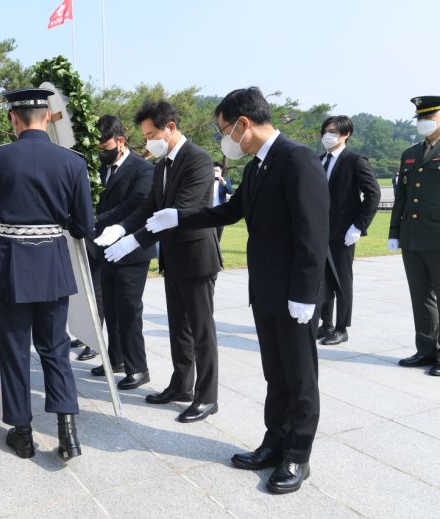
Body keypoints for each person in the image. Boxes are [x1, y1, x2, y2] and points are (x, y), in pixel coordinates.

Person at [142, 87, 330, 494]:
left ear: (244, 124)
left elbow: (314, 234)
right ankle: (274, 441)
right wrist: (179, 216)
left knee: (300, 378)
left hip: (294, 294)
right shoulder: (259, 166)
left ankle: (298, 455)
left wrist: (306, 293)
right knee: (274, 373)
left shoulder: (296, 159)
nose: (225, 138)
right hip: (264, 289)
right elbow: (229, 210)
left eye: (225, 129)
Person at [0, 88, 94, 459]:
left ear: (13, 119)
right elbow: (82, 226)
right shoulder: (73, 162)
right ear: (47, 117)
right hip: (52, 264)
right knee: (55, 347)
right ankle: (68, 432)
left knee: (13, 349)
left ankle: (23, 432)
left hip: (12, 261)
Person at [96, 100, 221, 423]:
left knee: (201, 330)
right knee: (178, 326)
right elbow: (148, 208)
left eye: (152, 133)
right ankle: (181, 385)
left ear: (170, 127)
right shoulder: (163, 164)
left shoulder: (198, 160)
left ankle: (207, 396)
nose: (148, 140)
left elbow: (176, 214)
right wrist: (121, 228)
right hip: (174, 258)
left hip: (196, 257)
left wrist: (133, 242)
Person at [88, 115, 155, 390]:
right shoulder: (100, 169)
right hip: (105, 248)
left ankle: (138, 367)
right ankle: (115, 359)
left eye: (106, 147)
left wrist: (99, 220)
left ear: (120, 141)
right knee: (112, 309)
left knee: (129, 310)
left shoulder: (142, 169)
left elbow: (136, 205)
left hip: (131, 250)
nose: (102, 153)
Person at [316, 116, 380, 345]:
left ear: (346, 134)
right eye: (325, 131)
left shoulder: (355, 160)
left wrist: (358, 226)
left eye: (333, 131)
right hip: (320, 231)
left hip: (344, 233)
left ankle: (342, 327)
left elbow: (373, 195)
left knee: (342, 281)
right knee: (322, 280)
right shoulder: (319, 159)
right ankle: (326, 324)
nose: (328, 135)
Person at [390, 95, 440, 377]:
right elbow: (402, 197)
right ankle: (425, 350)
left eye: (429, 117)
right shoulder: (410, 153)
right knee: (420, 296)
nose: (423, 123)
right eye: (420, 118)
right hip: (413, 236)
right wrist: (395, 231)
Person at [211, 162, 233, 242]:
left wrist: (223, 182)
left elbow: (231, 191)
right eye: (213, 171)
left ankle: (217, 251)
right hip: (208, 210)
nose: (215, 173)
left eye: (217, 171)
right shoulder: (207, 180)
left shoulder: (225, 180)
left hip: (220, 211)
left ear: (220, 171)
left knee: (218, 234)